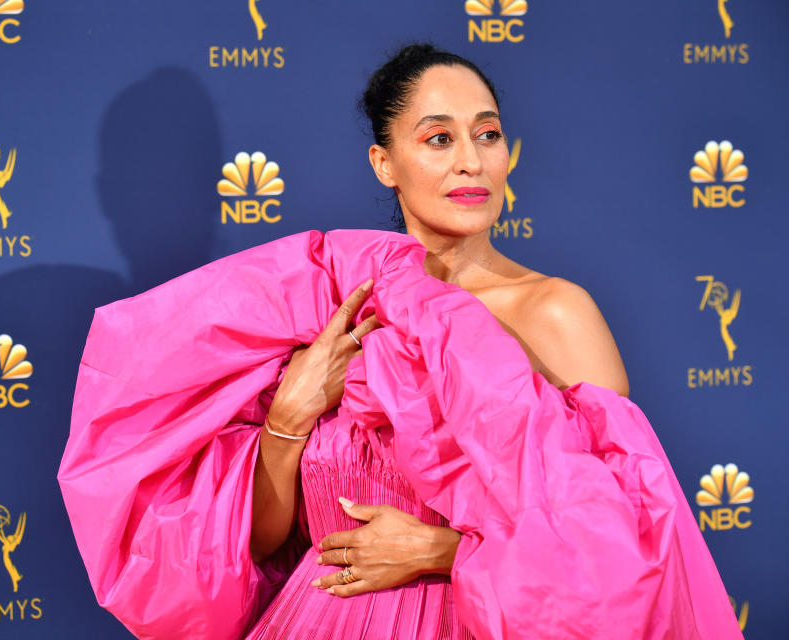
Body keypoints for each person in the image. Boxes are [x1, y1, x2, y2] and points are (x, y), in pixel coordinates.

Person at [58, 44, 743, 639]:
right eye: (439, 139)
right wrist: (288, 418)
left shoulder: (557, 314)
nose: (471, 162)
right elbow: (265, 540)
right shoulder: (327, 311)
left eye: (488, 135)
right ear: (385, 162)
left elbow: (620, 552)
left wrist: (444, 552)